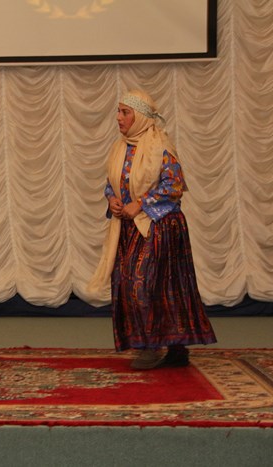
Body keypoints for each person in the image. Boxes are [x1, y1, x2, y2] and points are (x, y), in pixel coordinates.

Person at [88, 89, 216, 370]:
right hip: (129, 227)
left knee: (146, 284)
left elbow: (174, 186)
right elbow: (112, 182)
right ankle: (169, 347)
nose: (118, 117)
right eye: (119, 111)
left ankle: (155, 346)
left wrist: (141, 203)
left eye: (125, 112)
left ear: (141, 117)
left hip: (159, 226)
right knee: (131, 284)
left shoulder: (160, 147)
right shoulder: (120, 147)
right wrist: (112, 199)